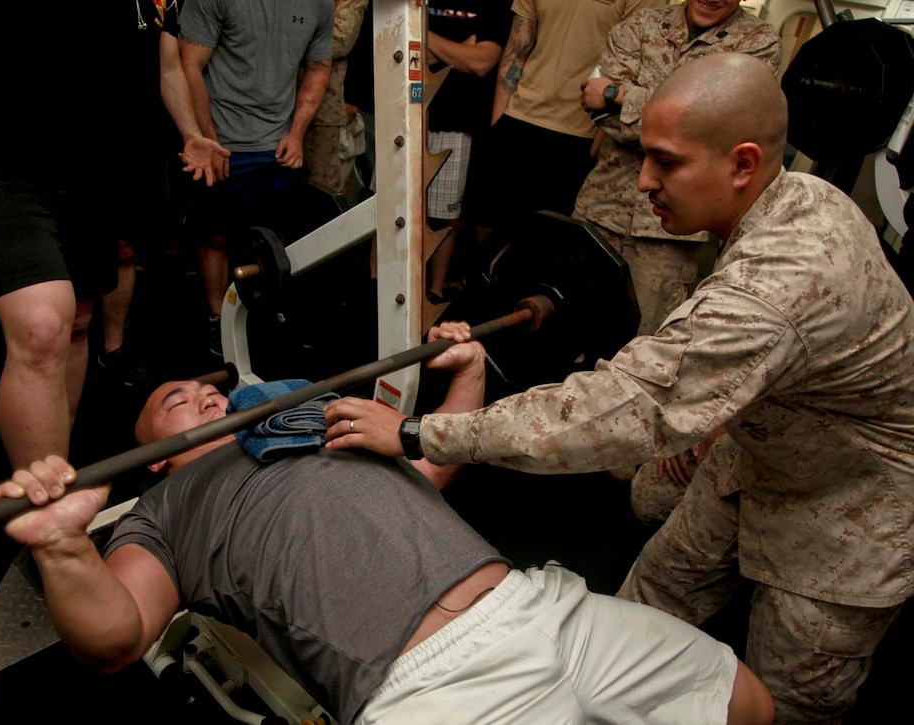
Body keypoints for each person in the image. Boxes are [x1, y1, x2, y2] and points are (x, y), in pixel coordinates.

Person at [325, 53, 914, 724]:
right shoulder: (799, 194)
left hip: (848, 511)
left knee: (783, 707)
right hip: (760, 454)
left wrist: (416, 432)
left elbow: (624, 409)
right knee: (652, 595)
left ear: (743, 164)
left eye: (666, 162)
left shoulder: (780, 283)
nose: (643, 180)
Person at [0, 320, 774, 725]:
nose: (202, 399)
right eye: (175, 403)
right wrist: (66, 547)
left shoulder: (310, 421)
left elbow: (429, 472)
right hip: (433, 683)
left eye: (207, 391)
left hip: (541, 605)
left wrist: (466, 373)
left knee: (745, 701)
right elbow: (118, 636)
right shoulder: (170, 511)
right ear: (157, 461)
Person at [0, 1, 226, 469]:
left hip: (90, 169)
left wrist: (188, 133)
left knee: (76, 325)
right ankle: (45, 522)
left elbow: (164, 62)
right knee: (42, 325)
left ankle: (54, 465)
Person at [573, 0, 780, 336]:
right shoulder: (642, 24)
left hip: (670, 232)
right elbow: (599, 111)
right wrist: (686, 126)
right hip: (600, 211)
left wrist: (619, 94)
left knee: (640, 347)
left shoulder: (757, 42)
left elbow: (719, 132)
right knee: (568, 327)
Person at [178, 0, 334, 357]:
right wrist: (208, 139)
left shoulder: (320, 3)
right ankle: (216, 318)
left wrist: (296, 133)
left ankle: (266, 310)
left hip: (276, 141)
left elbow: (318, 66)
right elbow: (189, 65)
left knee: (272, 236)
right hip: (222, 137)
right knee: (214, 236)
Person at [465, 0, 661, 232]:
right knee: (491, 231)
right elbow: (517, 51)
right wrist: (499, 124)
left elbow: (636, 68)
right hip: (518, 119)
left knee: (554, 246)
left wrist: (599, 144)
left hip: (580, 134)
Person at [422, 0, 513, 305]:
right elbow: (396, 45)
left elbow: (481, 62)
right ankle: (379, 283)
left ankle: (435, 291)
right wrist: (459, 48)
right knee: (391, 204)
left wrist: (423, 37)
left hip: (457, 120)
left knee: (446, 215)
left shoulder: (492, 4)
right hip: (404, 114)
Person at [302, 0, 369, 198]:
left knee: (318, 195)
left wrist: (285, 33)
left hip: (322, 113)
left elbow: (339, 41)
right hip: (271, 105)